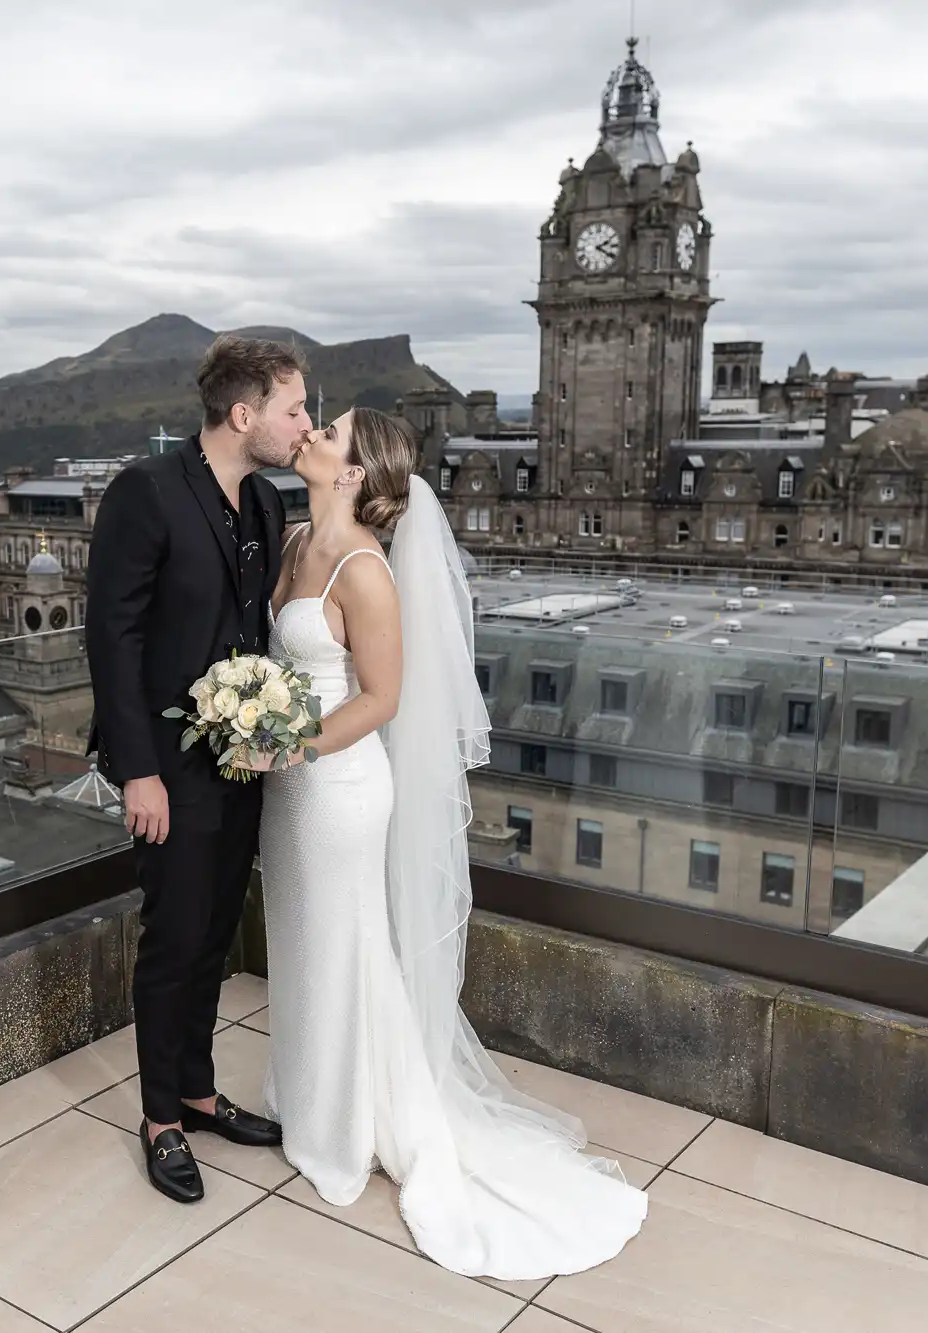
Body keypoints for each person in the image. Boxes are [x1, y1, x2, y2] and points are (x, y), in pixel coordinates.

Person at [239, 406, 648, 1279]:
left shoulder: (366, 569)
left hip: (340, 790)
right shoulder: (296, 538)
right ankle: (311, 1102)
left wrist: (291, 742)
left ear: (355, 472)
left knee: (350, 947)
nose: (311, 431)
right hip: (290, 791)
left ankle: (348, 1125)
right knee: (305, 945)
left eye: (330, 431)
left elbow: (381, 698)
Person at [85, 334, 311, 1202]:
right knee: (172, 941)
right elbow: (113, 637)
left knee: (215, 935)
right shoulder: (145, 491)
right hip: (166, 771)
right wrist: (137, 770)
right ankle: (160, 1120)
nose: (305, 423)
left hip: (239, 761)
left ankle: (200, 1090)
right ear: (244, 412)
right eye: (294, 407)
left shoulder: (261, 503)